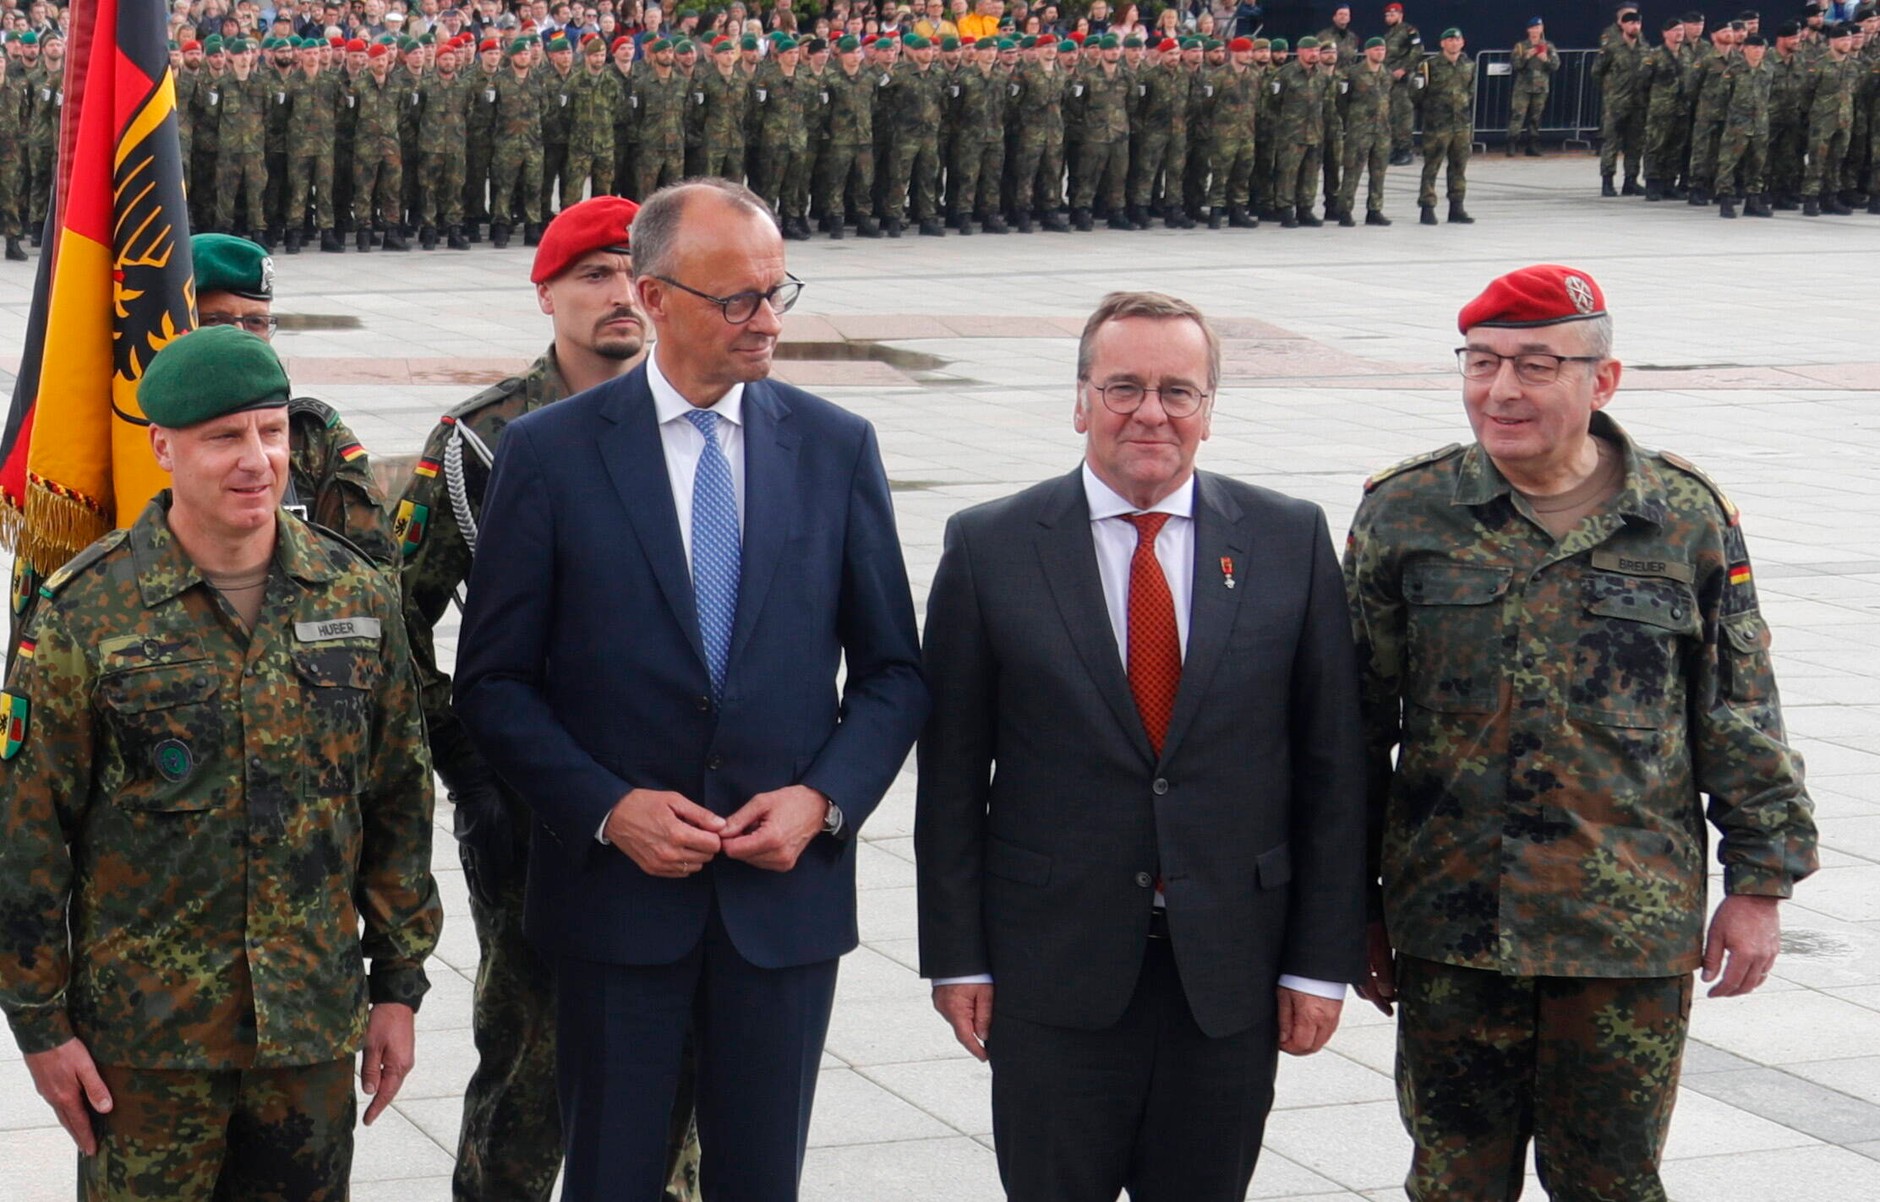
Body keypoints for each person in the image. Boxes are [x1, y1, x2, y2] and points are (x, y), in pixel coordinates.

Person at [451, 178, 927, 1202]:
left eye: (774, 290)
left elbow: (892, 671)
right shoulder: (549, 453)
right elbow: (491, 683)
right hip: (618, 906)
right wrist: (606, 807)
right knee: (611, 1179)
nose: (766, 320)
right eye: (736, 300)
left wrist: (823, 798)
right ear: (657, 298)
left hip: (782, 903)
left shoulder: (835, 446)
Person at [1344, 264, 1818, 1202]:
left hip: (1624, 936)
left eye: (1534, 364)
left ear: (1601, 380)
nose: (1501, 390)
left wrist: (1760, 883)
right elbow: (1351, 726)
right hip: (1452, 926)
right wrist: (1346, 899)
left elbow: (1738, 709)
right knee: (1450, 1185)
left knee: (1612, 1185)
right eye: (1480, 362)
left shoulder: (1684, 517)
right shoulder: (1407, 512)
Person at [916, 290, 1366, 1202]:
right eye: (1122, 387)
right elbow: (953, 777)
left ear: (1209, 409)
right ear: (1079, 401)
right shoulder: (991, 545)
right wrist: (957, 956)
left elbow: (1332, 768)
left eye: (1177, 390)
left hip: (1229, 976)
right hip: (1054, 973)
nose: (1150, 413)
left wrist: (1320, 962)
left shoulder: (1288, 539)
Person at [0, 324, 441, 1200]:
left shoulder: (355, 594)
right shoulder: (87, 612)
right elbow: (26, 833)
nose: (257, 460)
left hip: (309, 1034)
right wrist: (41, 1027)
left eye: (270, 431)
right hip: (148, 1049)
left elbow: (397, 797)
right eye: (224, 437)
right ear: (163, 446)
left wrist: (398, 985)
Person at [397, 196, 700, 1202]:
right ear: (546, 296)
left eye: (628, 275)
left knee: (674, 1055)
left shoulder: (696, 423)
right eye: (591, 277)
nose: (617, 296)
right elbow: (398, 619)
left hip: (680, 797)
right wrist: (468, 757)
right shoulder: (476, 442)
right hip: (536, 804)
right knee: (531, 1053)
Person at [1417, 27, 1472, 225]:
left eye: (1457, 40)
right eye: (1449, 40)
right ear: (1442, 43)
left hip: (1461, 125)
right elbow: (1416, 94)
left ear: (1462, 43)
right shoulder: (1429, 66)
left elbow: (1469, 92)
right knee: (1432, 166)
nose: (1453, 43)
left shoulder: (1468, 65)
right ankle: (1427, 206)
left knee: (1459, 166)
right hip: (1437, 125)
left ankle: (1457, 207)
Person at [1593, 6, 1647, 196]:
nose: (1635, 26)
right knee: (1611, 143)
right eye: (1631, 22)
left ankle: (1630, 181)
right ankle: (1607, 181)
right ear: (1622, 25)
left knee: (1635, 144)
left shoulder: (1644, 47)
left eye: (1638, 23)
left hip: (1637, 103)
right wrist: (1611, 90)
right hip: (1616, 103)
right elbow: (1596, 71)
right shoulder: (1612, 48)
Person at [1506, 17, 1556, 157]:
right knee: (1518, 115)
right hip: (1523, 87)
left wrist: (1545, 59)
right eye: (1532, 28)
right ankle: (1512, 144)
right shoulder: (1521, 46)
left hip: (1540, 87)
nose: (1535, 31)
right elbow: (1516, 65)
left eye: (1538, 28)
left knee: (1536, 117)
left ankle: (1532, 145)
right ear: (1528, 30)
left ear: (1542, 29)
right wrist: (1526, 56)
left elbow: (1556, 65)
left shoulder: (1548, 46)